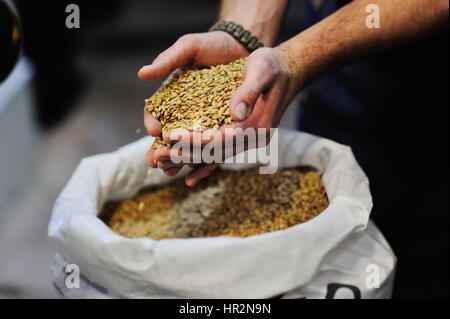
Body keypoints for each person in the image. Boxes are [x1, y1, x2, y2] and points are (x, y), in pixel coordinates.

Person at [138, 0, 449, 298]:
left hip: (427, 92)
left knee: (415, 263)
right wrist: (241, 34)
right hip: (335, 64)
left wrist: (296, 59)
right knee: (323, 251)